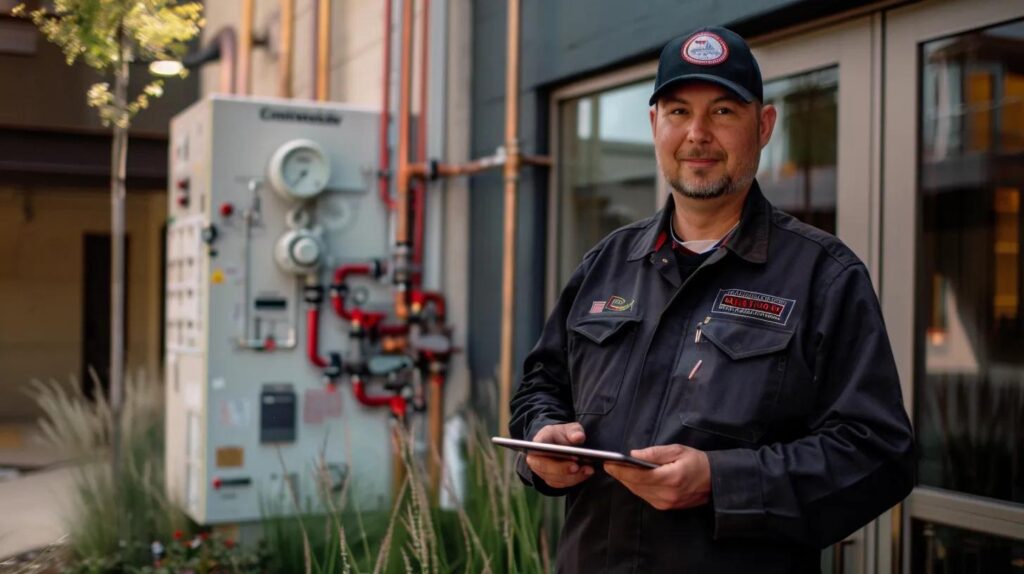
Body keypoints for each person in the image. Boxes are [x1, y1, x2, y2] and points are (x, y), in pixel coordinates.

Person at [509, 26, 915, 573]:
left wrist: (722, 482)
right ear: (655, 125)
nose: (697, 134)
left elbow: (879, 454)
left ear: (764, 126)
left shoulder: (823, 276)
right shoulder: (605, 265)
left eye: (723, 111)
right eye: (678, 112)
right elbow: (541, 385)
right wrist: (541, 443)